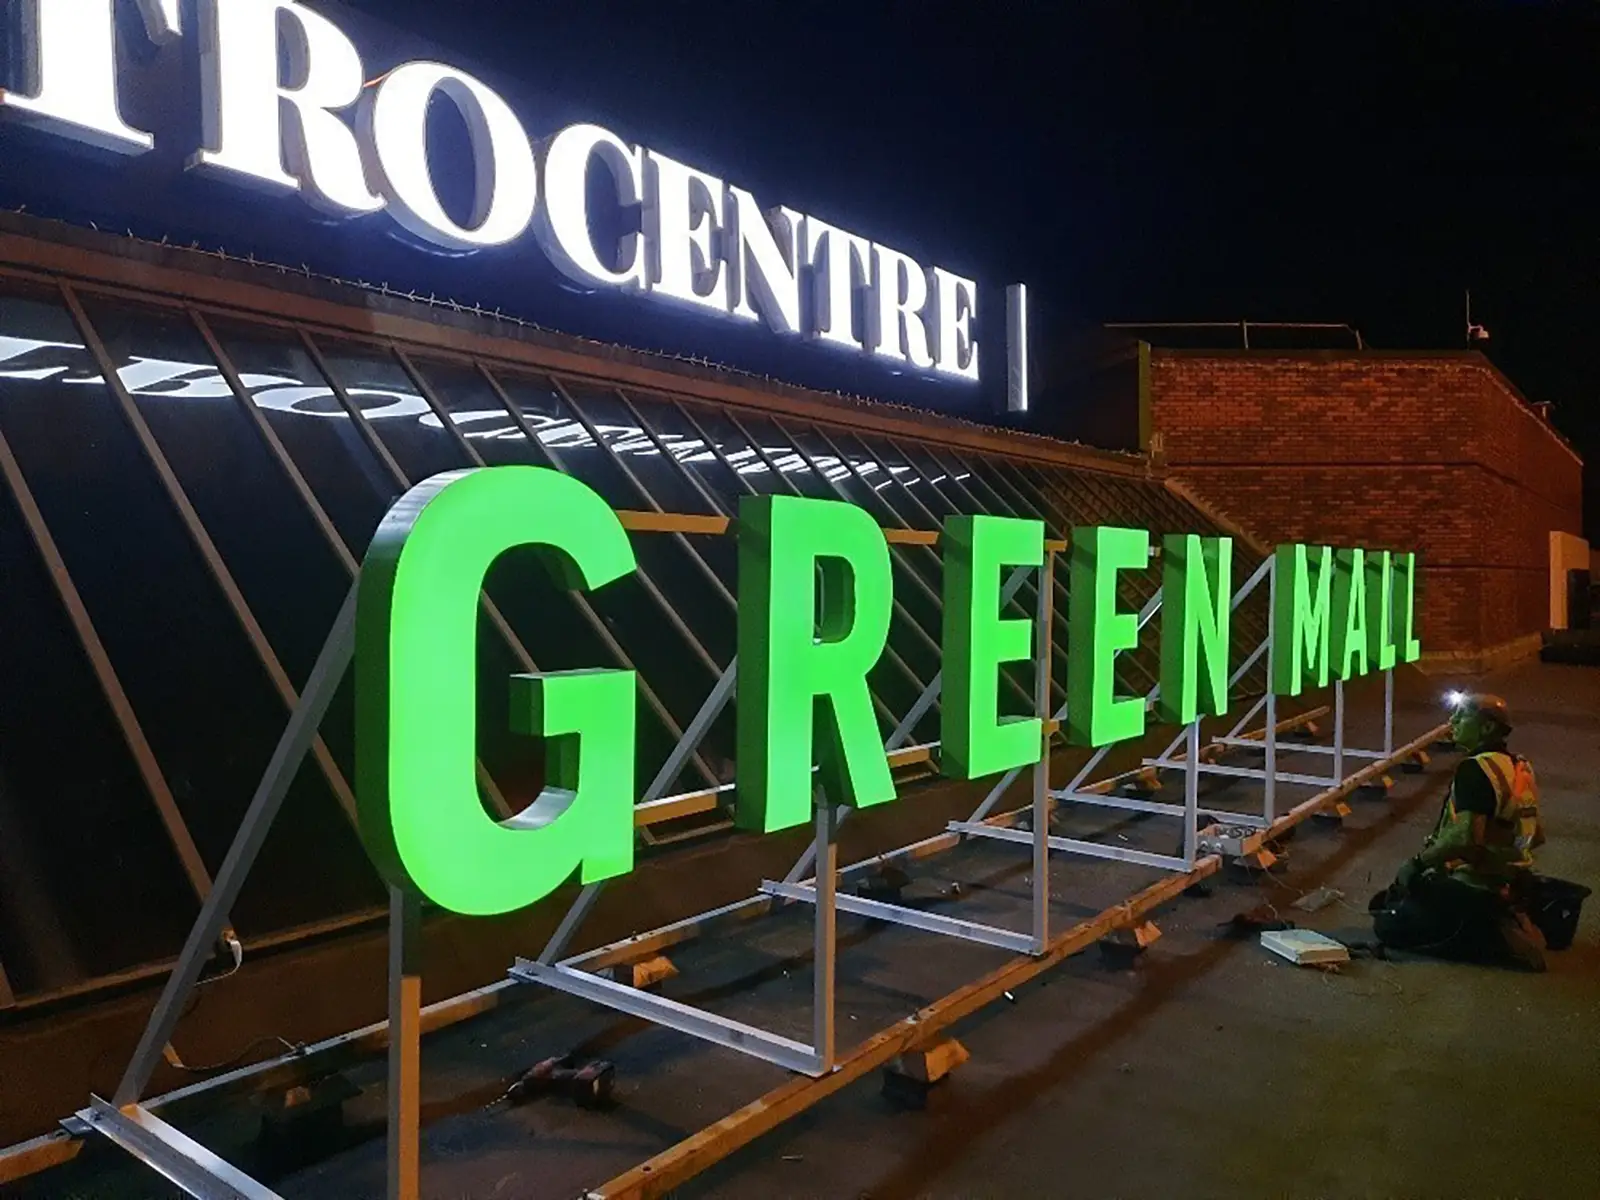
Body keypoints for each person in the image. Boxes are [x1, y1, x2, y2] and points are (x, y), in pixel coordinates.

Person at [1372, 692, 1548, 970]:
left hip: (1476, 885)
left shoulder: (1476, 769)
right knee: (1394, 900)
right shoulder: (1518, 767)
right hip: (1513, 880)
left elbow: (1465, 838)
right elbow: (1537, 835)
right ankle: (1499, 921)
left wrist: (1416, 864)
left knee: (1387, 924)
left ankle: (1490, 937)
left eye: (1462, 716)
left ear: (1487, 727)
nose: (1452, 722)